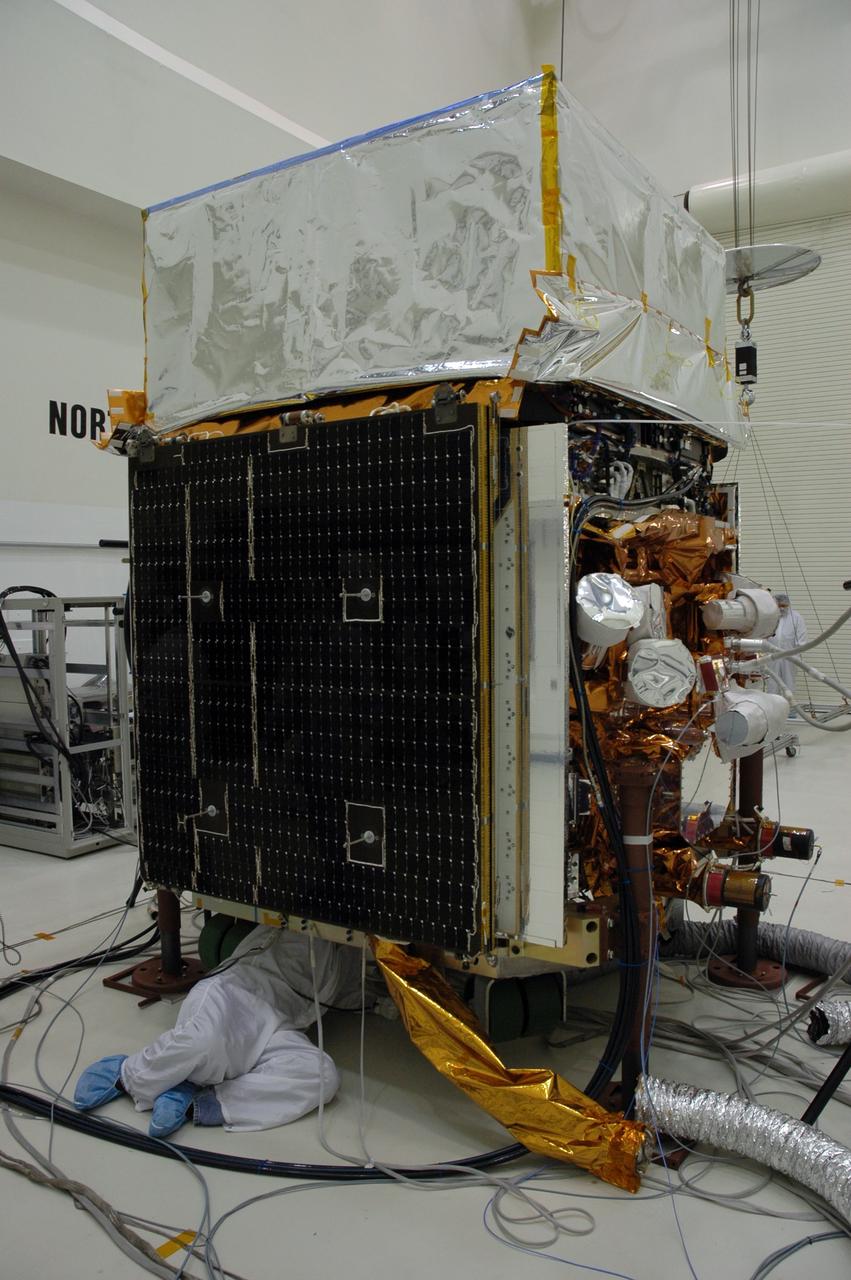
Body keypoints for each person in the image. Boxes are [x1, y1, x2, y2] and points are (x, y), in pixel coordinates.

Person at [74, 927, 364, 1137]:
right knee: (200, 1042)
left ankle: (204, 1101)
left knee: (323, 1075)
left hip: (280, 1022)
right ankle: (127, 1075)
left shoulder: (356, 946)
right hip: (233, 992)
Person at [767, 593, 808, 700]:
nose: (781, 608)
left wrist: (797, 654)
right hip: (771, 656)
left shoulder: (796, 618)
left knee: (789, 683)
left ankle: (790, 709)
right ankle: (774, 709)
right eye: (779, 606)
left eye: (784, 606)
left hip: (790, 656)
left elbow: (801, 638)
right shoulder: (770, 617)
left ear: (788, 605)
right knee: (772, 683)